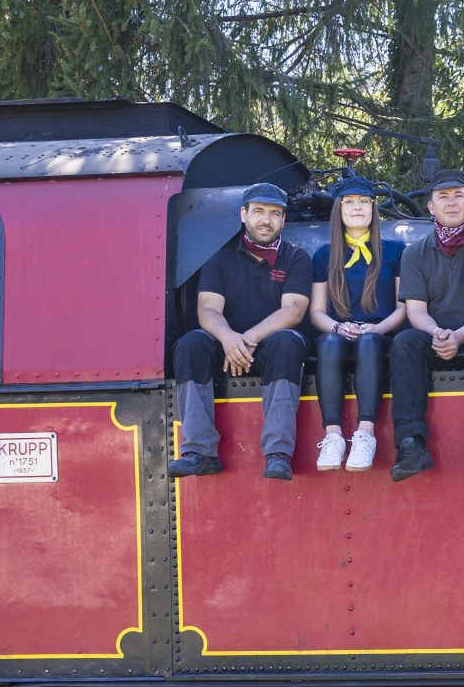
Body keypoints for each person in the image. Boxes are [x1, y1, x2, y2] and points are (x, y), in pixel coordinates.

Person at [168, 182, 312, 480]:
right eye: (258, 211)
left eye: (274, 213)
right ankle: (199, 452)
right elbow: (207, 310)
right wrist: (228, 338)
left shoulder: (296, 257)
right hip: (226, 346)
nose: (266, 220)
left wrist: (246, 339)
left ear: (283, 220)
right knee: (190, 344)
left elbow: (293, 311)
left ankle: (278, 453)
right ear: (243, 214)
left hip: (269, 347)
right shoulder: (220, 257)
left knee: (288, 342)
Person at [387, 169, 464, 480]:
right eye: (443, 197)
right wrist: (437, 334)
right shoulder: (415, 253)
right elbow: (415, 311)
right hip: (437, 333)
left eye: (459, 195)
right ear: (431, 207)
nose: (451, 203)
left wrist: (459, 334)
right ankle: (411, 445)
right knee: (403, 343)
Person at [306, 175, 405, 473]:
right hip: (341, 330)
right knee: (329, 343)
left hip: (380, 331)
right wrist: (336, 327)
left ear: (374, 209)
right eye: (349, 202)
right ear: (338, 209)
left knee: (369, 342)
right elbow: (317, 312)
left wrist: (378, 328)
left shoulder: (395, 250)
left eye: (364, 202)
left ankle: (365, 433)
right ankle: (333, 434)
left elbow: (403, 307)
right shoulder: (324, 255)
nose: (357, 208)